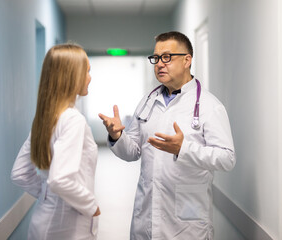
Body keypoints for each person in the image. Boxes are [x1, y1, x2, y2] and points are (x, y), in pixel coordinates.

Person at [98, 31, 235, 239]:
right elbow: (133, 151)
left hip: (188, 221)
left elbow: (227, 158)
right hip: (147, 214)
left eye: (167, 57)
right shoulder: (147, 101)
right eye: (156, 58)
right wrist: (117, 137)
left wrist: (185, 149)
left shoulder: (210, 106)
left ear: (187, 60)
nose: (159, 64)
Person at [11, 43, 100, 240]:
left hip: (43, 220)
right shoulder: (72, 119)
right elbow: (60, 179)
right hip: (67, 227)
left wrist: (47, 195)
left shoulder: (44, 118)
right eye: (87, 71)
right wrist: (91, 206)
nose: (90, 78)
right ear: (72, 75)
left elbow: (19, 173)